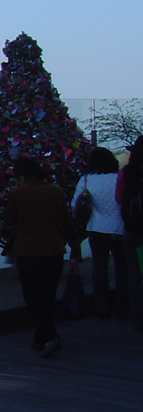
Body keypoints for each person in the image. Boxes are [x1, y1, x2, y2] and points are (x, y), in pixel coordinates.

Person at [5, 156, 74, 356]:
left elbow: (9, 220)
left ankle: (50, 336)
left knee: (33, 296)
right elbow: (66, 221)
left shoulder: (18, 193)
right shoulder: (55, 191)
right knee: (48, 294)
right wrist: (75, 251)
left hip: (28, 250)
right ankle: (42, 337)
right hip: (54, 249)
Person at [71, 146, 127, 319]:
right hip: (121, 229)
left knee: (99, 270)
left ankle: (101, 307)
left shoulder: (86, 180)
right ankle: (123, 307)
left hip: (96, 229)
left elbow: (75, 205)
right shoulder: (119, 178)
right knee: (123, 270)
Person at [116, 137, 143, 332]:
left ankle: (139, 318)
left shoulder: (126, 172)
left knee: (135, 275)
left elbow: (119, 198)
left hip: (131, 229)